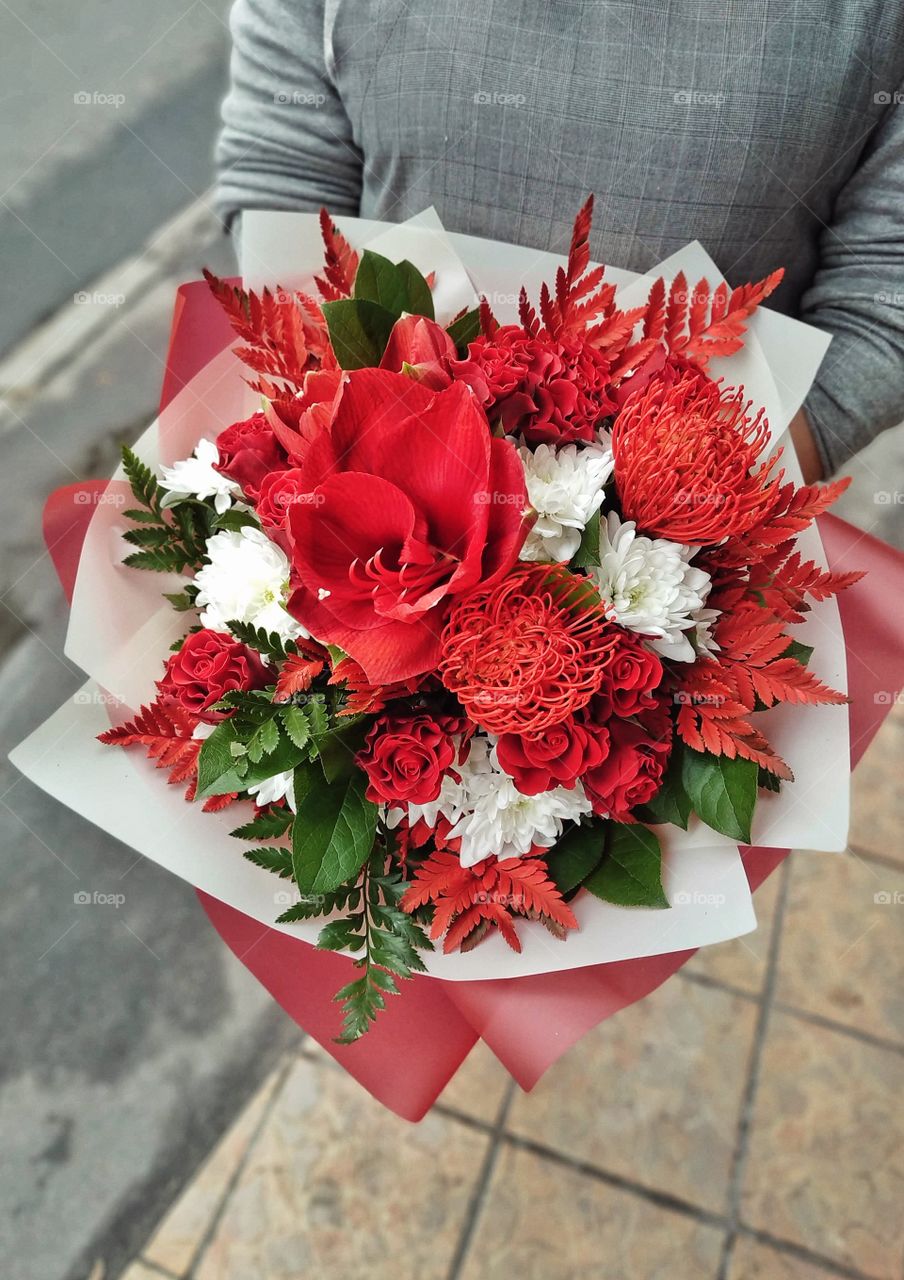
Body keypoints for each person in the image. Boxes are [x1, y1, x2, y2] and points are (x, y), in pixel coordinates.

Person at [214, 0, 904, 483]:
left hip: (687, 565)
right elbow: (285, 170)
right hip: (365, 513)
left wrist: (697, 532)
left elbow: (883, 291)